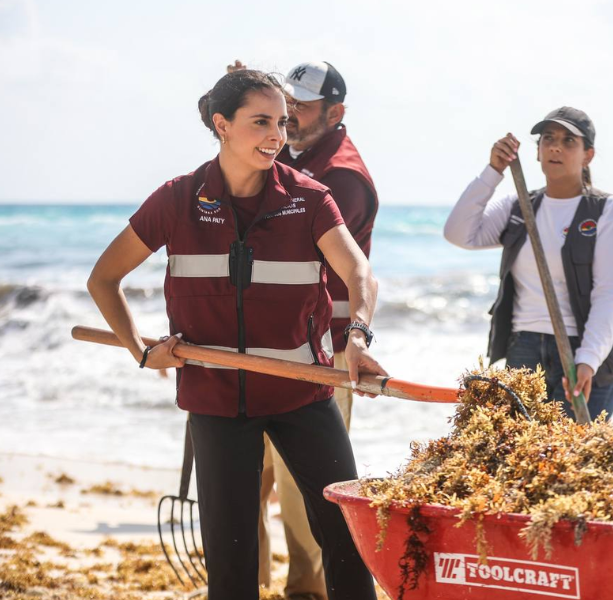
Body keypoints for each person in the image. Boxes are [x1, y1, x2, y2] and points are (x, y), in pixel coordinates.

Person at [87, 68, 382, 600]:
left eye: (283, 122)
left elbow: (358, 273)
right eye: (262, 122)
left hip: (303, 394)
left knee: (345, 537)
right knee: (231, 560)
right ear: (222, 125)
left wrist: (357, 335)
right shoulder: (176, 200)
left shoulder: (310, 199)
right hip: (216, 402)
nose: (277, 135)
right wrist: (140, 350)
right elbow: (104, 278)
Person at [248, 60, 378, 600]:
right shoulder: (297, 157)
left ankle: (307, 590)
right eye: (284, 106)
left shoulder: (340, 176)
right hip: (268, 343)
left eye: (299, 106)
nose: (290, 117)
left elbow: (298, 255)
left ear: (336, 112)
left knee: (306, 490)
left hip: (318, 351)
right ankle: (252, 585)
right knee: (250, 480)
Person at [444, 107, 613, 420]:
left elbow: (609, 295)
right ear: (537, 153)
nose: (556, 147)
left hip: (589, 351)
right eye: (548, 139)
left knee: (570, 458)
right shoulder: (519, 206)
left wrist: (588, 360)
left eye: (569, 141)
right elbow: (458, 233)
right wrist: (493, 171)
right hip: (524, 345)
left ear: (587, 155)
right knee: (524, 457)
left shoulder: (608, 211)